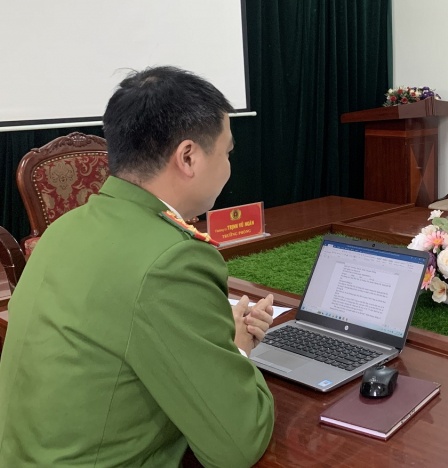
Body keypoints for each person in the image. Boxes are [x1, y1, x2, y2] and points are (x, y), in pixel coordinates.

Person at [0, 67, 275, 467]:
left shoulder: (63, 230)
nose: (230, 165)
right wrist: (236, 348)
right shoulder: (173, 259)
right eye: (227, 152)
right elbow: (237, 444)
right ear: (188, 156)